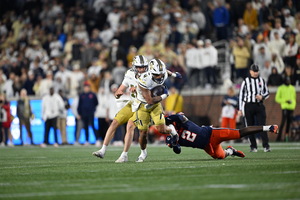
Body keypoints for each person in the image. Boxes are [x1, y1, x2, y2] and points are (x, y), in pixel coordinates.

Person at [93, 55, 149, 163]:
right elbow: (121, 89)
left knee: (131, 127)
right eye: (139, 67)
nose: (142, 69)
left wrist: (137, 88)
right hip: (132, 103)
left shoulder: (149, 75)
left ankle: (127, 154)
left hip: (143, 105)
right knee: (114, 122)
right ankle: (103, 150)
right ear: (134, 66)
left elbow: (149, 92)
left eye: (143, 67)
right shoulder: (129, 74)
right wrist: (118, 93)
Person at [164, 113, 278, 159]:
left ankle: (269, 127)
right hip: (206, 146)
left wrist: (169, 119)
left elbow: (180, 117)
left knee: (239, 133)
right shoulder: (169, 137)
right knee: (220, 156)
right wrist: (174, 141)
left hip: (211, 134)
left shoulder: (178, 121)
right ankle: (231, 151)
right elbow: (177, 150)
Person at [134, 58, 181, 162]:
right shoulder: (144, 79)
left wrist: (174, 75)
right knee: (143, 132)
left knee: (161, 129)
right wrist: (165, 95)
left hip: (155, 105)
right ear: (150, 72)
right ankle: (143, 153)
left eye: (160, 74)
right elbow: (150, 101)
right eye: (156, 74)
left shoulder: (162, 73)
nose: (159, 77)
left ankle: (172, 130)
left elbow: (166, 73)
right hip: (143, 104)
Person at [238, 64, 271, 152]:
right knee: (249, 127)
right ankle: (253, 146)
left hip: (259, 105)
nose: (256, 73)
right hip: (248, 105)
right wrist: (240, 109)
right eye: (254, 71)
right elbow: (241, 95)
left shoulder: (261, 80)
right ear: (250, 71)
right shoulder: (246, 81)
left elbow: (267, 92)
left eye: (257, 71)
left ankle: (266, 146)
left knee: (262, 126)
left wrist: (262, 97)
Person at [275, 77, 296, 142]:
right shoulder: (281, 88)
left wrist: (293, 105)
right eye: (287, 80)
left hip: (291, 107)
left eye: (289, 80)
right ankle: (279, 137)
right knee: (283, 122)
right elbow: (277, 99)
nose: (288, 81)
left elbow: (294, 98)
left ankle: (286, 137)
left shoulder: (292, 88)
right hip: (285, 107)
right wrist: (285, 101)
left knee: (289, 123)